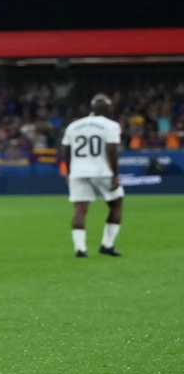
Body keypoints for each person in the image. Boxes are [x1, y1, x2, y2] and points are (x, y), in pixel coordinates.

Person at [61, 94, 124, 257]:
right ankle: (107, 245)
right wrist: (115, 174)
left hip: (78, 171)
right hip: (101, 171)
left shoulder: (74, 126)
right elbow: (111, 150)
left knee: (80, 209)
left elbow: (66, 151)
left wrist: (68, 172)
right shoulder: (111, 125)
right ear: (109, 109)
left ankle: (80, 249)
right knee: (116, 204)